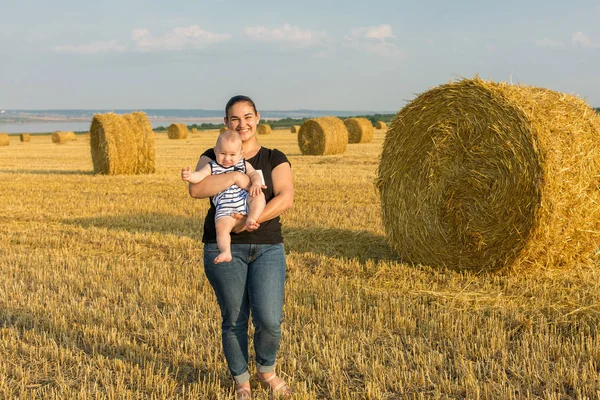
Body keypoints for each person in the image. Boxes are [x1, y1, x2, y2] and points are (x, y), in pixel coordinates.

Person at [184, 95, 294, 399]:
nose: (241, 124)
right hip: (222, 246)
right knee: (234, 319)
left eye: (247, 117)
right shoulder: (212, 155)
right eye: (234, 118)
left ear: (257, 118)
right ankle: (241, 380)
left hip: (267, 245)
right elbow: (196, 189)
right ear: (225, 122)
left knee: (270, 320)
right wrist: (233, 174)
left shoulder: (274, 157)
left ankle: (266, 370)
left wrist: (248, 220)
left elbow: (284, 197)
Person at [181, 129, 266, 264]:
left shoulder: (243, 164)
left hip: (245, 199)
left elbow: (254, 174)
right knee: (221, 228)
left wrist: (256, 183)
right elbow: (199, 176)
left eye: (232, 154)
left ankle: (251, 218)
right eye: (222, 153)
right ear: (215, 151)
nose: (227, 158)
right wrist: (190, 176)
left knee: (258, 196)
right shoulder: (212, 166)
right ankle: (226, 251)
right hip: (225, 209)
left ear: (241, 154)